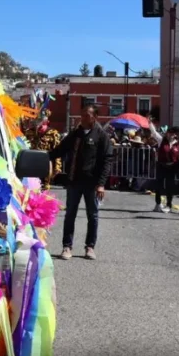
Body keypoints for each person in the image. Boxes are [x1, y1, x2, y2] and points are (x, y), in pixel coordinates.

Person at [49, 104, 114, 260]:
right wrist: (43, 157)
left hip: (92, 184)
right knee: (70, 214)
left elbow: (107, 160)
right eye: (82, 114)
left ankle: (90, 247)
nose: (83, 118)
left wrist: (101, 184)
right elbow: (60, 150)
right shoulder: (75, 134)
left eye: (87, 115)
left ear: (94, 117)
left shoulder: (101, 136)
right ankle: (66, 247)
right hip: (73, 182)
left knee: (93, 216)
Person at [154, 127, 179, 213]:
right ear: (167, 134)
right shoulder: (161, 140)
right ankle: (158, 204)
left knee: (169, 186)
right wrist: (150, 123)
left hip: (172, 167)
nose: (171, 135)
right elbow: (154, 132)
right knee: (158, 185)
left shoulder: (178, 144)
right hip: (161, 166)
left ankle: (168, 205)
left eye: (173, 133)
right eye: (169, 133)